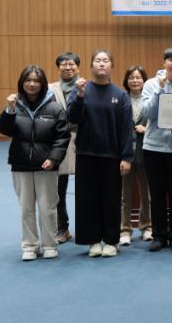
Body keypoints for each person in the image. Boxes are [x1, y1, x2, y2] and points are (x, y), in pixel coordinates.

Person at [0, 65, 70, 261]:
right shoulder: (15, 105)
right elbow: (2, 128)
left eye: (36, 80)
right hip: (21, 165)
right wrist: (9, 110)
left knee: (47, 208)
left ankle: (50, 244)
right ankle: (30, 245)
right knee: (26, 208)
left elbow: (62, 136)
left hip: (46, 166)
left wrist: (53, 158)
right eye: (28, 80)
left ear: (42, 84)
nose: (32, 84)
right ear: (22, 83)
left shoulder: (54, 108)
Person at [67, 49, 134, 258]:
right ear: (91, 66)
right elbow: (72, 118)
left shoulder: (120, 95)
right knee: (87, 199)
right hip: (86, 154)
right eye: (98, 60)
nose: (102, 64)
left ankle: (112, 240)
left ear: (111, 66)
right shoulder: (81, 90)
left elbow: (126, 128)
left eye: (105, 60)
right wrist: (79, 96)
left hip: (112, 156)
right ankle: (93, 241)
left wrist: (126, 157)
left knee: (111, 199)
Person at [139, 48, 172, 252]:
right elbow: (146, 113)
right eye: (171, 60)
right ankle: (159, 235)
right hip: (153, 147)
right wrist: (160, 89)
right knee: (157, 194)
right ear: (164, 62)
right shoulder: (151, 84)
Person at [48, 52, 80, 244]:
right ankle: (62, 228)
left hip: (83, 140)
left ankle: (86, 227)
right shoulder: (49, 89)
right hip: (58, 142)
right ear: (58, 67)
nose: (68, 68)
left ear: (78, 67)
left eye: (71, 64)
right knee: (58, 190)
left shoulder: (86, 86)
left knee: (86, 188)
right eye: (64, 64)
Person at [119, 65, 152, 246]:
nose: (135, 81)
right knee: (125, 195)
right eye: (131, 77)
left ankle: (146, 227)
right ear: (127, 80)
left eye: (138, 77)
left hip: (145, 152)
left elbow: (158, 122)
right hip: (125, 153)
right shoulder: (121, 99)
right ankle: (125, 229)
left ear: (144, 80)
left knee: (146, 194)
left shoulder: (150, 99)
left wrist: (146, 129)